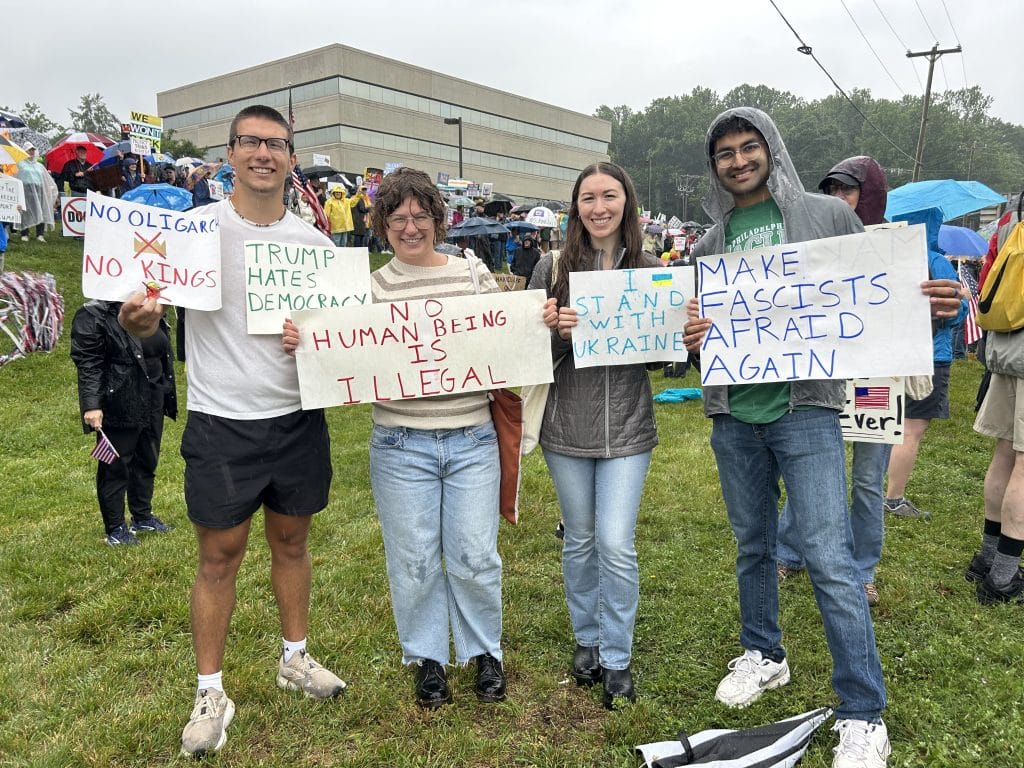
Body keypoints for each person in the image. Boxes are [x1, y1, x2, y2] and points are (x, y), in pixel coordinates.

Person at [682, 108, 961, 768]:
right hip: (733, 416)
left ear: (771, 150)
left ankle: (862, 710)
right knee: (753, 545)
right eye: (725, 152)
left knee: (831, 558)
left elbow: (869, 298)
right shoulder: (707, 245)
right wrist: (694, 342)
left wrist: (927, 303)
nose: (739, 159)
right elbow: (703, 339)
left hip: (805, 412)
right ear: (714, 166)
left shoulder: (826, 218)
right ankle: (764, 653)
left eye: (751, 146)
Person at [118, 105, 346, 758]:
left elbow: (341, 339)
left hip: (298, 418)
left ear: (292, 158)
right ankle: (210, 692)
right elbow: (147, 319)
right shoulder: (193, 232)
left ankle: (295, 658)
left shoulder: (314, 245)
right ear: (231, 153)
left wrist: (323, 341)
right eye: (251, 142)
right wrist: (138, 322)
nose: (264, 154)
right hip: (222, 421)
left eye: (276, 144)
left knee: (293, 543)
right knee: (219, 557)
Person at [287, 167, 547, 709]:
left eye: (421, 215)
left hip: (473, 440)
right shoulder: (368, 288)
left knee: (476, 556)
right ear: (383, 223)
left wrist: (536, 320)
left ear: (438, 218)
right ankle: (428, 659)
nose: (411, 227)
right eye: (399, 217)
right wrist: (306, 339)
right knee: (414, 560)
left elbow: (506, 337)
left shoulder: (473, 274)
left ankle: (484, 653)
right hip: (400, 445)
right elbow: (343, 351)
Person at [527, 161, 661, 710]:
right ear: (575, 207)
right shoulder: (549, 268)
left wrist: (684, 331)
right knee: (579, 539)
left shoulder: (653, 267)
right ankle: (586, 639)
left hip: (629, 428)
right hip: (567, 427)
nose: (599, 208)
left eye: (610, 196)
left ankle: (618, 655)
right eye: (588, 198)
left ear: (626, 202)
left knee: (615, 543)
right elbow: (529, 355)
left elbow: (660, 358)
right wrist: (556, 334)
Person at [775, 155, 893, 606]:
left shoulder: (893, 244)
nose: (837, 200)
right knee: (810, 468)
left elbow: (916, 307)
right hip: (821, 376)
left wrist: (941, 308)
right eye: (830, 190)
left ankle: (862, 567)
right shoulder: (812, 242)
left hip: (876, 381)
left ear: (871, 194)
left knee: (866, 479)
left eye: (847, 189)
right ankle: (789, 550)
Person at [883, 206, 967, 519]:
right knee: (911, 430)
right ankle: (894, 498)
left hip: (893, 355)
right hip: (930, 355)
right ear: (932, 225)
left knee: (891, 427)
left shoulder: (889, 257)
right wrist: (961, 307)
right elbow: (954, 312)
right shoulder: (935, 261)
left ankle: (876, 490)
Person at [70, 300, 177, 545]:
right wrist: (91, 404)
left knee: (147, 459)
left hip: (154, 397)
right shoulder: (93, 315)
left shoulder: (150, 308)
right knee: (115, 466)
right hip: (119, 401)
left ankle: (142, 516)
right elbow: (88, 363)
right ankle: (116, 528)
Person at [967, 198, 1024, 603]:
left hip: (1004, 349)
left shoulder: (1009, 218)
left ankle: (987, 559)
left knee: (1005, 452)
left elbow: (987, 279)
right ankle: (1004, 577)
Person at [16, 144, 57, 242]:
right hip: (25, 189)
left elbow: (46, 179)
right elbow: (16, 176)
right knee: (25, 211)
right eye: (29, 150)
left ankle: (40, 234)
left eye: (33, 150)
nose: (31, 152)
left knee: (41, 211)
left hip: (39, 190)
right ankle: (25, 233)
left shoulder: (39, 166)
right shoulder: (20, 164)